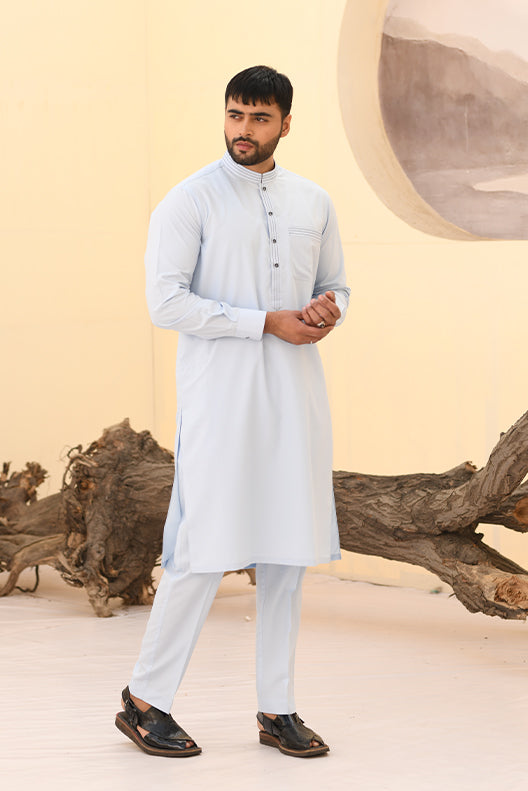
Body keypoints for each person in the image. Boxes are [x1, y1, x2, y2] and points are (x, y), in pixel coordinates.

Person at [115, 65, 350, 759]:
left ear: (285, 123)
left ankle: (278, 708)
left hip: (295, 398)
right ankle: (144, 699)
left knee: (287, 552)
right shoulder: (190, 200)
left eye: (259, 118)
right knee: (200, 547)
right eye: (235, 114)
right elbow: (165, 303)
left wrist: (328, 310)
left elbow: (337, 283)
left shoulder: (313, 201)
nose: (244, 130)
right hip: (221, 399)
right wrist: (266, 321)